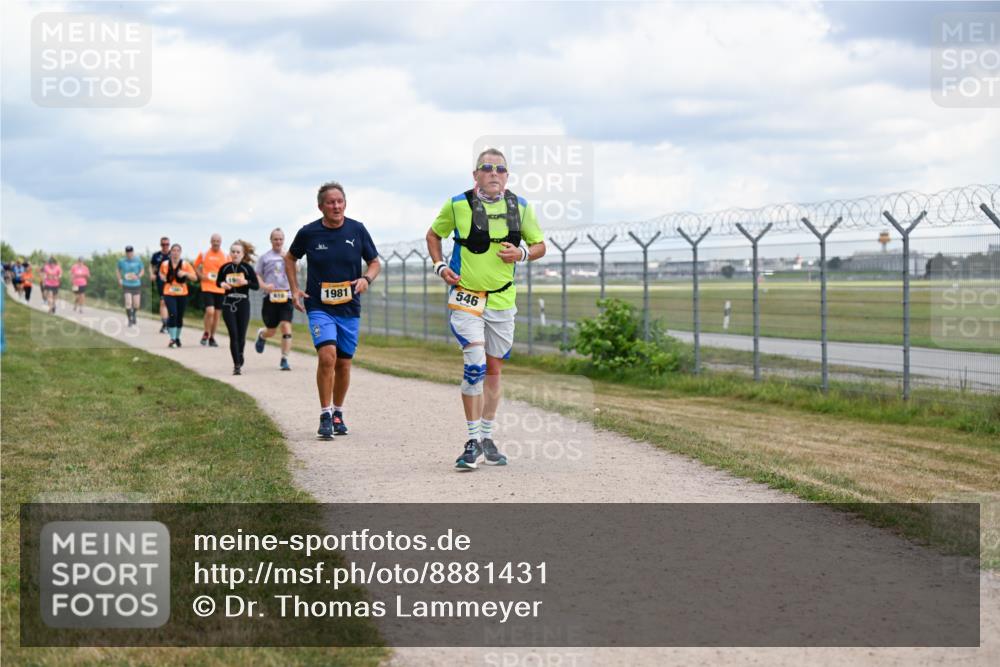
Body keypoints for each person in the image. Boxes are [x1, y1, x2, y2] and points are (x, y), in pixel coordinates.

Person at [425, 148, 546, 471]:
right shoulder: (457, 204)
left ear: (507, 175)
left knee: (493, 371)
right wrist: (439, 266)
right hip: (466, 297)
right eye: (487, 168)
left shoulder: (520, 207)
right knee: (475, 363)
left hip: (502, 300)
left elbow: (540, 245)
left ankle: (487, 436)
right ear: (475, 174)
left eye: (501, 169)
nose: (494, 173)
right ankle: (471, 440)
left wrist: (521, 254)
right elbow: (433, 235)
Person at [286, 181, 380, 439]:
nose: (336, 206)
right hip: (319, 305)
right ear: (321, 206)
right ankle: (325, 413)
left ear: (345, 204)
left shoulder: (357, 230)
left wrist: (366, 279)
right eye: (330, 202)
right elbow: (290, 258)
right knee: (327, 356)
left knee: (344, 363)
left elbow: (374, 262)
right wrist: (295, 289)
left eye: (339, 201)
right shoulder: (308, 233)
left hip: (349, 307)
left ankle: (338, 412)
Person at [216, 240, 260, 375]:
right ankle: (236, 365)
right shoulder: (224, 268)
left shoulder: (247, 268)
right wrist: (222, 284)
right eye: (233, 252)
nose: (235, 254)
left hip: (243, 303)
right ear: (230, 253)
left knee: (241, 336)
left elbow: (256, 286)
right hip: (228, 303)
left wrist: (246, 282)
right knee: (233, 335)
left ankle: (240, 354)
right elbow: (218, 282)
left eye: (238, 252)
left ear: (242, 254)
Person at [254, 228, 295, 371]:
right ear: (271, 240)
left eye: (280, 239)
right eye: (275, 239)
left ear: (284, 240)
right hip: (270, 298)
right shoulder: (265, 257)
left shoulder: (289, 256)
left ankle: (284, 359)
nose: (278, 241)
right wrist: (264, 285)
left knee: (286, 326)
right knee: (271, 331)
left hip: (286, 296)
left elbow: (298, 271)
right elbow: (257, 275)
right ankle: (262, 335)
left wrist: (288, 259)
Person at [194, 234, 228, 347]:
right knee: (210, 311)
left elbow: (230, 270)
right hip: (207, 287)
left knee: (217, 315)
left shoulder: (226, 256)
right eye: (214, 240)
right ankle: (206, 332)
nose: (216, 242)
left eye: (218, 240)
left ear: (221, 242)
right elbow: (195, 266)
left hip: (220, 288)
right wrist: (200, 275)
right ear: (210, 241)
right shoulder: (204, 254)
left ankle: (212, 337)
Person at [158, 244, 195, 348]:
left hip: (182, 293)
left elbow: (194, 277)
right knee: (173, 314)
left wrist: (185, 274)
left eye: (178, 250)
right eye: (173, 250)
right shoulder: (165, 264)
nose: (175, 252)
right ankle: (172, 339)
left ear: (180, 252)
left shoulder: (185, 264)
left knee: (179, 317)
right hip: (168, 292)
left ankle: (177, 338)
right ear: (170, 252)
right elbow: (160, 273)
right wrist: (162, 277)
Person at [116, 245, 145, 326]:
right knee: (128, 302)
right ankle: (130, 320)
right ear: (126, 253)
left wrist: (138, 276)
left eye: (131, 252)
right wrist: (119, 279)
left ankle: (133, 314)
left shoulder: (138, 260)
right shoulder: (121, 261)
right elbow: (118, 270)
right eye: (128, 252)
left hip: (136, 284)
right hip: (126, 284)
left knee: (137, 305)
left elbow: (142, 270)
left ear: (133, 252)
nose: (129, 254)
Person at [151, 237, 172, 333]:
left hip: (172, 282)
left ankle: (170, 323)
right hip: (161, 281)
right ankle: (165, 324)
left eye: (167, 244)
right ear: (160, 245)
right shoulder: (156, 255)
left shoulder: (173, 254)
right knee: (163, 301)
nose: (165, 246)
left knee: (170, 302)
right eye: (163, 244)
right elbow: (152, 266)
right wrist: (152, 274)